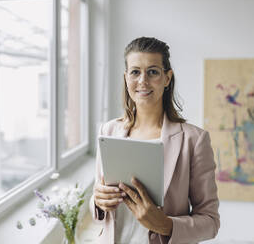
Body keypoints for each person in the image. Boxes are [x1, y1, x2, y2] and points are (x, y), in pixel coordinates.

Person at [89, 37, 220, 244]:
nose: (142, 81)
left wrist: (165, 225)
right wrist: (98, 201)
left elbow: (211, 222)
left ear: (167, 78)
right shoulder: (109, 130)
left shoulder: (194, 140)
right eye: (135, 72)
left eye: (153, 72)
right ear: (126, 78)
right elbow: (100, 197)